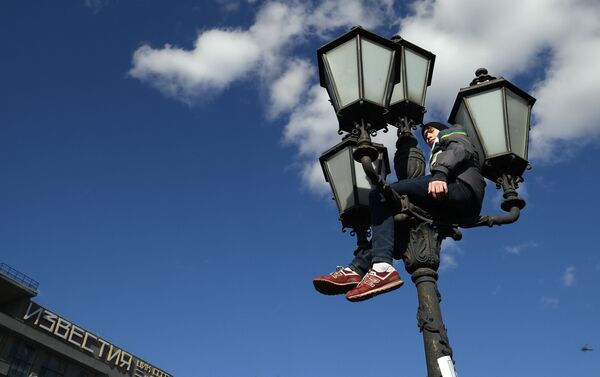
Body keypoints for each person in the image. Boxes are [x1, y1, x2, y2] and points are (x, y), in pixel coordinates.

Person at [313, 121, 485, 302]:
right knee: (396, 220)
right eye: (425, 134)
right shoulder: (438, 151)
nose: (427, 135)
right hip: (454, 206)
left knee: (381, 194)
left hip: (461, 188)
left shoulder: (452, 133)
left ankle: (381, 267)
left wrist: (440, 174)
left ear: (442, 130)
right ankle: (357, 268)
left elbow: (460, 149)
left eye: (431, 131)